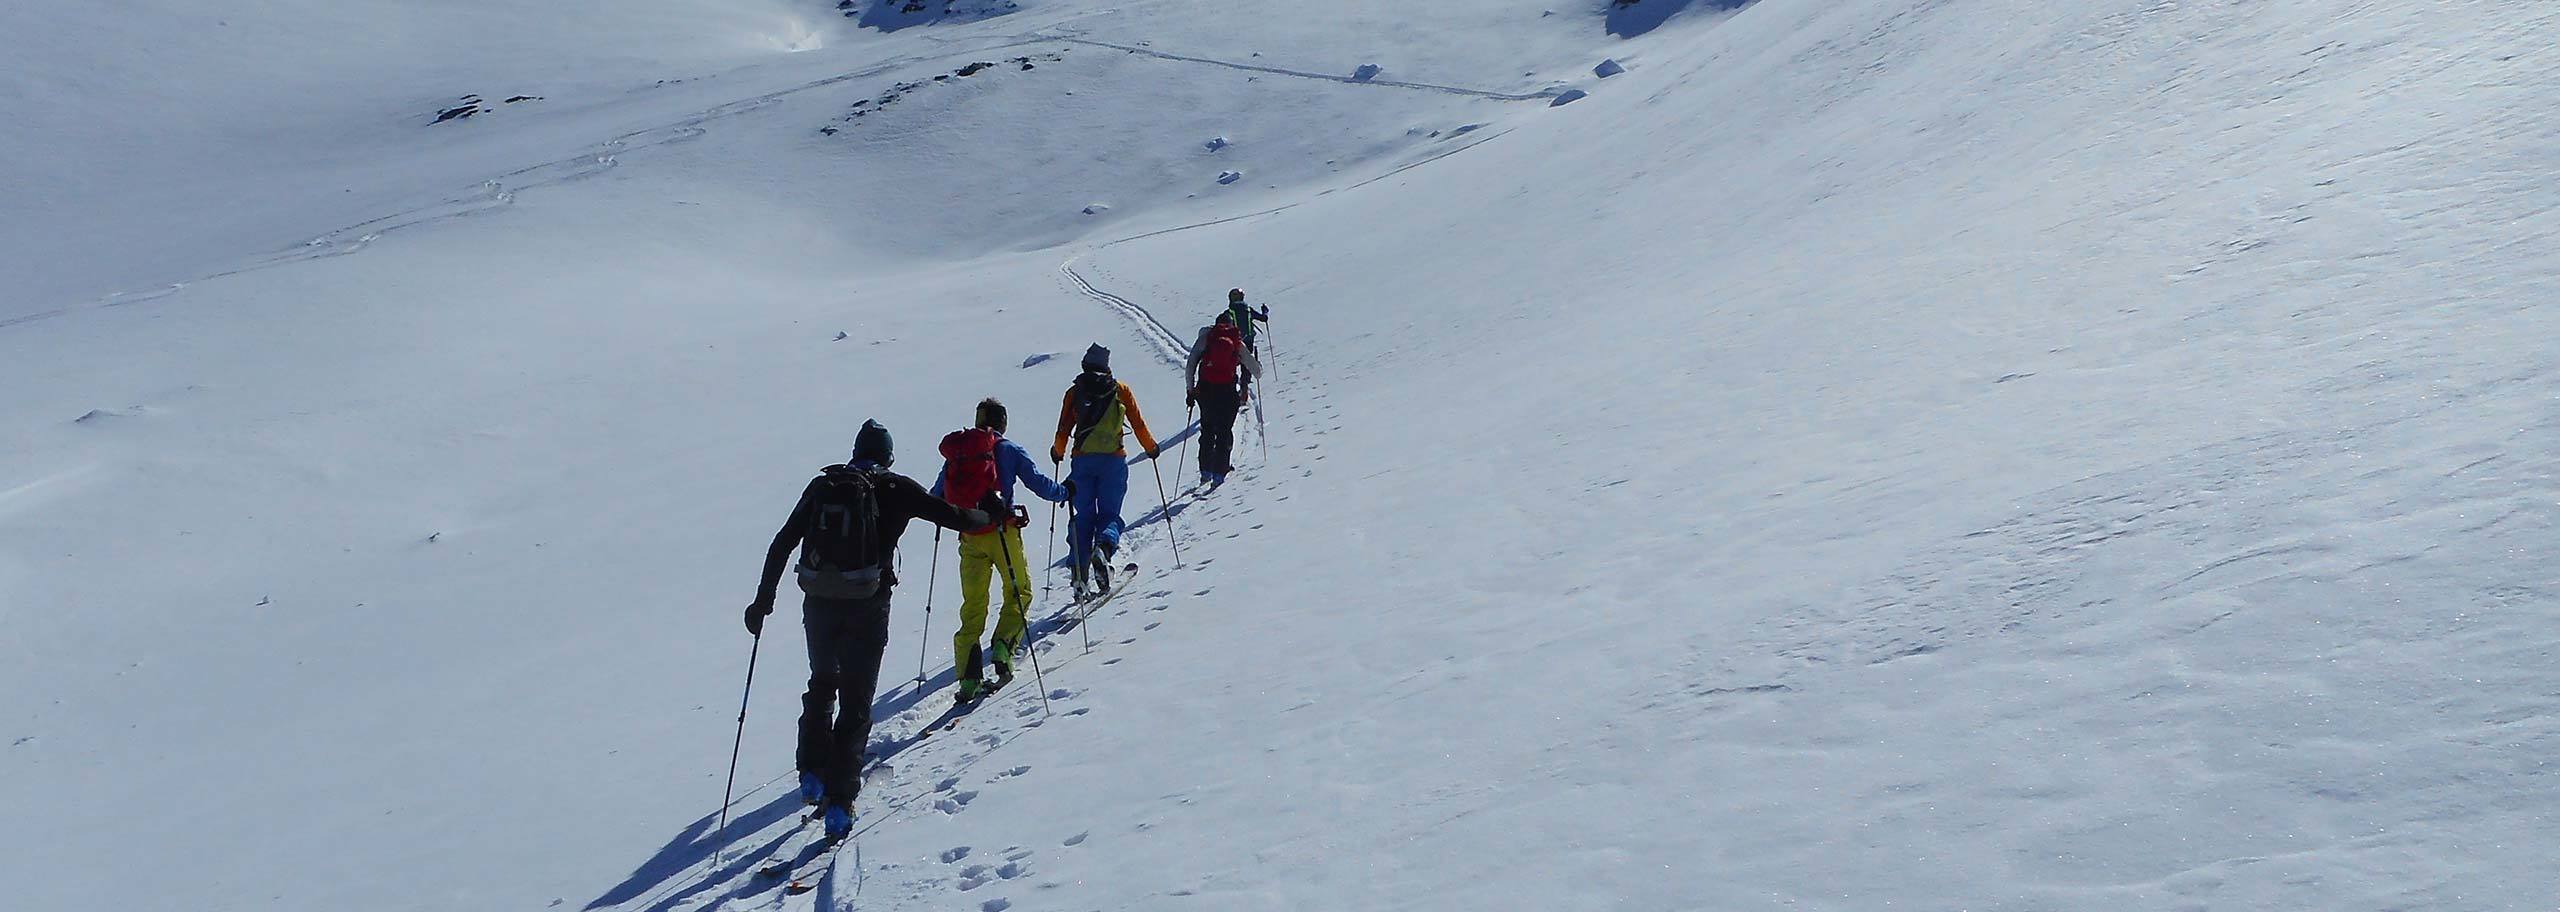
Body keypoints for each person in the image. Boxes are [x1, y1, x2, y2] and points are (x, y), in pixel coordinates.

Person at [745, 419, 1001, 841]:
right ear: (888, 456)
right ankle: (839, 805)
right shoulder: (896, 488)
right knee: (856, 702)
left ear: (856, 452)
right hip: (867, 605)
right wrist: (991, 513)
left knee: (822, 681)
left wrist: (763, 601)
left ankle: (812, 773)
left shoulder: (824, 486)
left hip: (819, 602)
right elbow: (956, 517)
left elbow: (783, 541)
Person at [930, 399, 1071, 703]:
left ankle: (968, 680)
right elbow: (1039, 484)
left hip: (969, 534)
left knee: (973, 606)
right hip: (1002, 532)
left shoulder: (958, 454)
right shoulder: (1007, 449)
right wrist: (1065, 492)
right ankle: (1004, 648)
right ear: (1003, 422)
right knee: (1020, 591)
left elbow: (936, 494)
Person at [1050, 344, 1160, 596]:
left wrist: (1058, 452)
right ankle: (1104, 550)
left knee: (1084, 516)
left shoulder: (1074, 392)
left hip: (1082, 461)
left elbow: (1063, 429)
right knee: (1110, 514)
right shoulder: (1120, 389)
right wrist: (1151, 448)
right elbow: (1138, 424)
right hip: (1113, 461)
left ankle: (1079, 574)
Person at [1183, 312, 1260, 486]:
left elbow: (1190, 365)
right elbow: (1256, 371)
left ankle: (1205, 471)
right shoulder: (1235, 340)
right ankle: (1219, 472)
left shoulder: (1206, 338)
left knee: (1207, 429)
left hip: (1206, 391)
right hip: (1227, 392)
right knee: (1224, 431)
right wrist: (1256, 366)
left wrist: (1190, 390)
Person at [1224, 288, 1271, 353]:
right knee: (1249, 355)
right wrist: (1265, 311)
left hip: (1235, 342)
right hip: (1249, 341)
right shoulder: (1248, 310)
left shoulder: (1227, 313)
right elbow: (1264, 318)